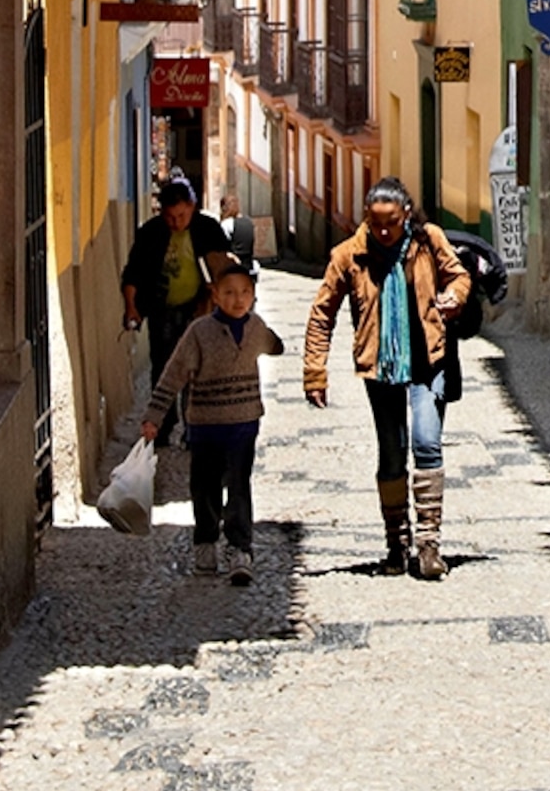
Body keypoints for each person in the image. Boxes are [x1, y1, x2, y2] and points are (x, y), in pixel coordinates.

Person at [303, 180, 470, 578]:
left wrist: (455, 297)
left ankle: (429, 546)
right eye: (374, 223)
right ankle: (397, 543)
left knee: (427, 443)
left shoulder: (428, 241)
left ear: (406, 215)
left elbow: (458, 276)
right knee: (392, 453)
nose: (382, 232)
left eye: (391, 223)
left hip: (428, 362)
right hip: (379, 369)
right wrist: (314, 371)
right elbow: (322, 313)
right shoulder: (349, 255)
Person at [140, 260, 282, 582]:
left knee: (239, 486)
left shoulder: (255, 327)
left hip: (244, 424)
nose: (238, 299)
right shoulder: (199, 333)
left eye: (246, 292)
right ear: (215, 295)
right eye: (230, 293)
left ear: (254, 295)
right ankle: (205, 542)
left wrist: (274, 343)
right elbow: (173, 376)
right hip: (205, 426)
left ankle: (240, 549)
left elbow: (275, 346)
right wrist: (154, 416)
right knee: (204, 488)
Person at [120, 176, 230, 438]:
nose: (176, 223)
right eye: (170, 217)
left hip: (199, 309)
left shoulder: (208, 229)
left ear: (192, 206)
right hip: (162, 308)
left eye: (181, 215)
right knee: (164, 367)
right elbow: (133, 273)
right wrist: (131, 307)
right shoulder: (151, 233)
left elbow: (226, 267)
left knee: (197, 369)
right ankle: (165, 424)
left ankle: (194, 428)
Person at [217, 183, 257, 274]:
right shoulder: (248, 222)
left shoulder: (227, 224)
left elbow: (221, 247)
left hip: (232, 266)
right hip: (248, 265)